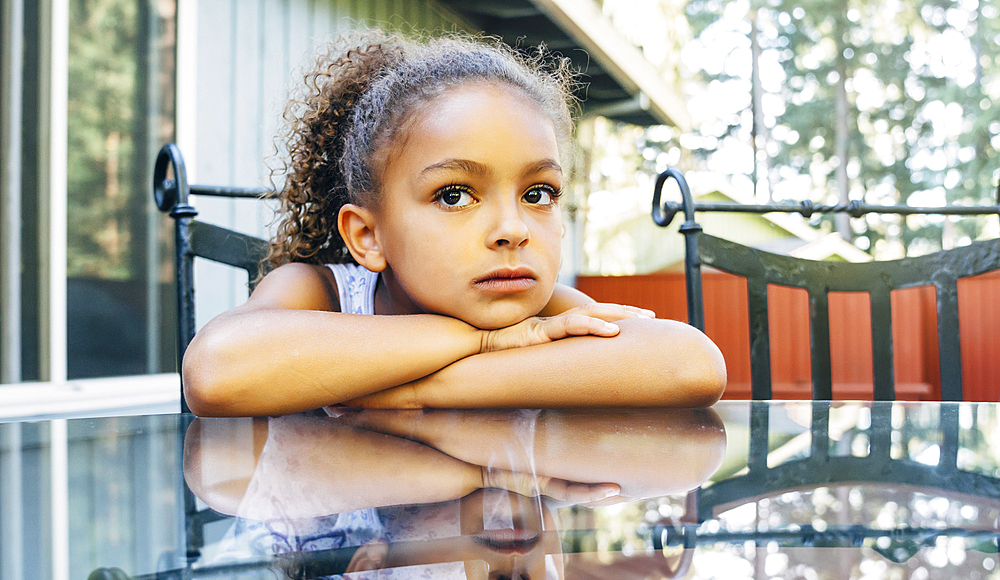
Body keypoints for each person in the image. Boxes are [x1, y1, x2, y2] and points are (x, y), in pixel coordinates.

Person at [181, 29, 726, 418]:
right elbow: (216, 373)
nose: (512, 229)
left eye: (538, 193)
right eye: (455, 194)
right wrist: (482, 344)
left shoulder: (543, 308)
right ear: (368, 236)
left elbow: (690, 366)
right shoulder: (320, 291)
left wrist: (418, 392)